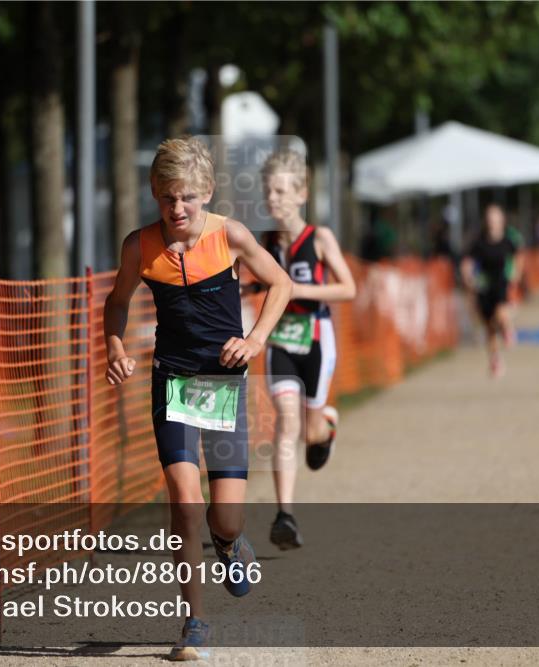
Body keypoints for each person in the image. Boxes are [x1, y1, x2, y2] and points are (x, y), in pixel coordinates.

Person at [103, 137, 291, 661]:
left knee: (223, 520)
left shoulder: (229, 235)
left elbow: (280, 286)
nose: (177, 208)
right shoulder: (139, 246)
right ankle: (193, 622)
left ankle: (231, 544)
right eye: (167, 198)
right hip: (173, 383)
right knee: (184, 504)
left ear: (206, 192)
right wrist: (114, 346)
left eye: (186, 197)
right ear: (154, 195)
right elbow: (115, 304)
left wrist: (255, 340)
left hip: (224, 385)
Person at [256, 150, 356, 550]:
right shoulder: (263, 240)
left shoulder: (319, 238)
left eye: (281, 190)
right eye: (268, 191)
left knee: (310, 431)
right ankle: (285, 515)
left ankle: (327, 425)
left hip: (315, 338)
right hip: (280, 339)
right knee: (286, 421)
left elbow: (348, 288)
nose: (273, 198)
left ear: (301, 193)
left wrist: (298, 290)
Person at [461, 204, 521, 378]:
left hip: (501, 284)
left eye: (495, 218)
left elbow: (518, 255)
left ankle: (507, 329)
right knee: (489, 328)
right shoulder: (479, 242)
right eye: (489, 218)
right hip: (484, 287)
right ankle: (495, 360)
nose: (492, 222)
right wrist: (468, 277)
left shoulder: (507, 240)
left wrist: (515, 273)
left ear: (501, 220)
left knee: (501, 313)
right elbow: (468, 262)